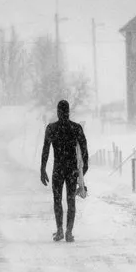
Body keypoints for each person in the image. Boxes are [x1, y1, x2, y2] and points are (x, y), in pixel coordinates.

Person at [40, 100, 89, 243]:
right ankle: (68, 232)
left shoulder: (51, 128)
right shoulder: (76, 128)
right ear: (68, 112)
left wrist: (42, 169)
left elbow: (45, 150)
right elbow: (85, 152)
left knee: (57, 200)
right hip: (72, 170)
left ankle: (60, 230)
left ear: (57, 112)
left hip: (58, 169)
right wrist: (81, 173)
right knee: (71, 200)